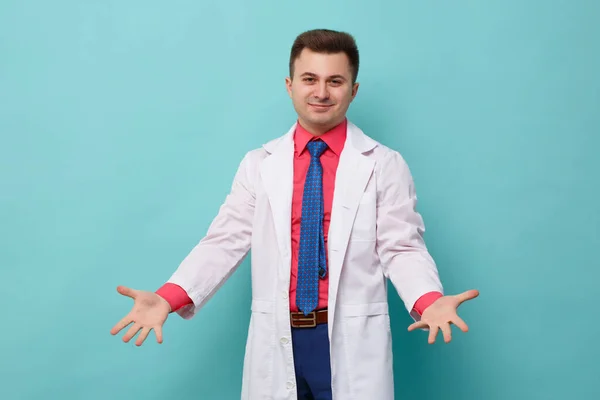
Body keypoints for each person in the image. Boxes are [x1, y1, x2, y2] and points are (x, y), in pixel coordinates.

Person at [110, 28, 479, 399]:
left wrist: (428, 299)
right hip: (279, 335)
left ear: (353, 90)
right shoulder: (259, 164)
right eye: (309, 79)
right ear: (289, 85)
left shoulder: (383, 164)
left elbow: (401, 246)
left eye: (335, 81)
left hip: (348, 338)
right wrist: (167, 298)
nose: (321, 92)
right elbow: (224, 241)